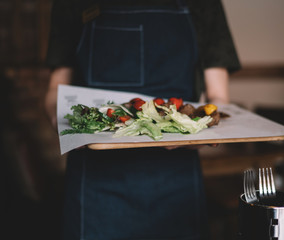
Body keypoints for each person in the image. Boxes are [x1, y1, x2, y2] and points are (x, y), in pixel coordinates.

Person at [45, 0, 240, 239]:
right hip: (95, 184)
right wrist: (65, 124)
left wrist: (200, 131)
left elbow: (218, 97)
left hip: (177, 182)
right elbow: (56, 88)